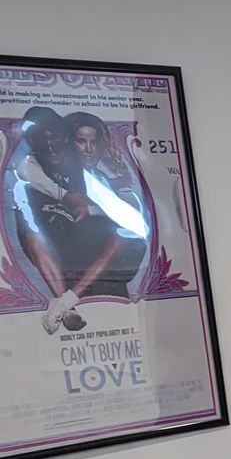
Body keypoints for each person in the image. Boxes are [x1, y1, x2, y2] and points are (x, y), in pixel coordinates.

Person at [5, 107, 150, 333]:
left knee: (121, 234)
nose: (88, 149)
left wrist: (90, 209)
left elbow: (132, 219)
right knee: (29, 227)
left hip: (105, 278)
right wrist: (65, 198)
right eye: (81, 142)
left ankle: (65, 302)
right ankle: (65, 305)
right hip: (67, 271)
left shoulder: (102, 177)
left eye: (92, 143)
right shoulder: (33, 173)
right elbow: (28, 171)